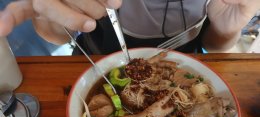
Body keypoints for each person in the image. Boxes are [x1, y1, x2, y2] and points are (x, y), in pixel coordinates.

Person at [0, 0, 259, 54]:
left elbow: (213, 46)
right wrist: (48, 19)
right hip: (95, 58)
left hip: (185, 66)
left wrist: (227, 29)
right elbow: (55, 36)